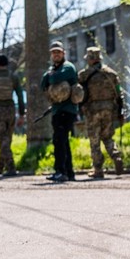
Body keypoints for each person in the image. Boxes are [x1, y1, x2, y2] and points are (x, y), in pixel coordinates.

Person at [78, 46, 124, 178]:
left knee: (95, 140)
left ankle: (98, 169)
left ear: (90, 59)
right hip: (109, 110)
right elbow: (119, 94)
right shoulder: (112, 74)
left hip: (92, 111)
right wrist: (120, 112)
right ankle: (116, 155)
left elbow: (78, 93)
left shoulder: (83, 75)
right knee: (107, 137)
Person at [40, 41, 78, 182]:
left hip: (66, 110)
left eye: (58, 52)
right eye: (54, 52)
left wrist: (50, 75)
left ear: (63, 53)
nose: (56, 54)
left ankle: (60, 171)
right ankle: (69, 172)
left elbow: (54, 78)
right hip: (57, 110)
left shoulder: (68, 67)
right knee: (63, 141)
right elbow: (42, 84)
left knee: (59, 140)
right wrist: (49, 75)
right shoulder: (53, 69)